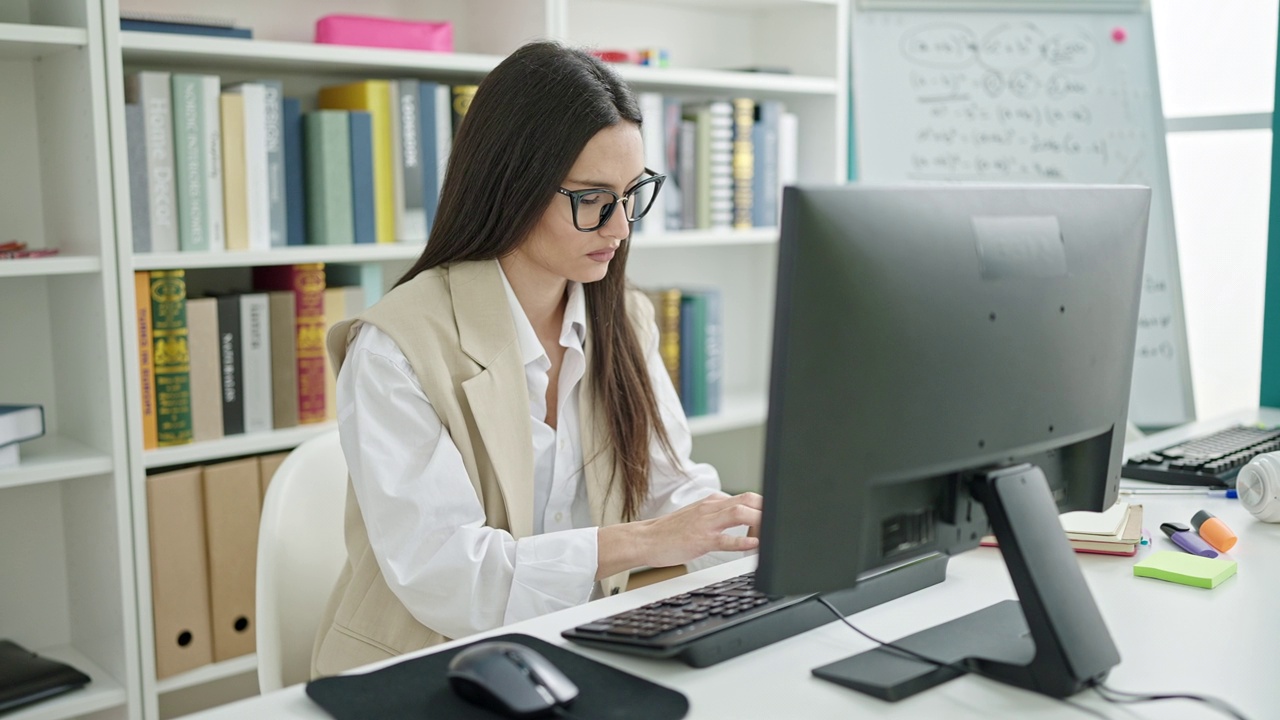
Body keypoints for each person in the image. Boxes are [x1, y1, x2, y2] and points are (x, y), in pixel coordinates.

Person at [311, 40, 763, 677]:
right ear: (512, 185)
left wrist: (750, 534)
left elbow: (670, 491)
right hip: (425, 666)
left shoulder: (623, 317)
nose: (621, 227)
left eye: (632, 194)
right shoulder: (394, 347)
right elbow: (446, 574)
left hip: (570, 648)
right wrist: (643, 542)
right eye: (592, 199)